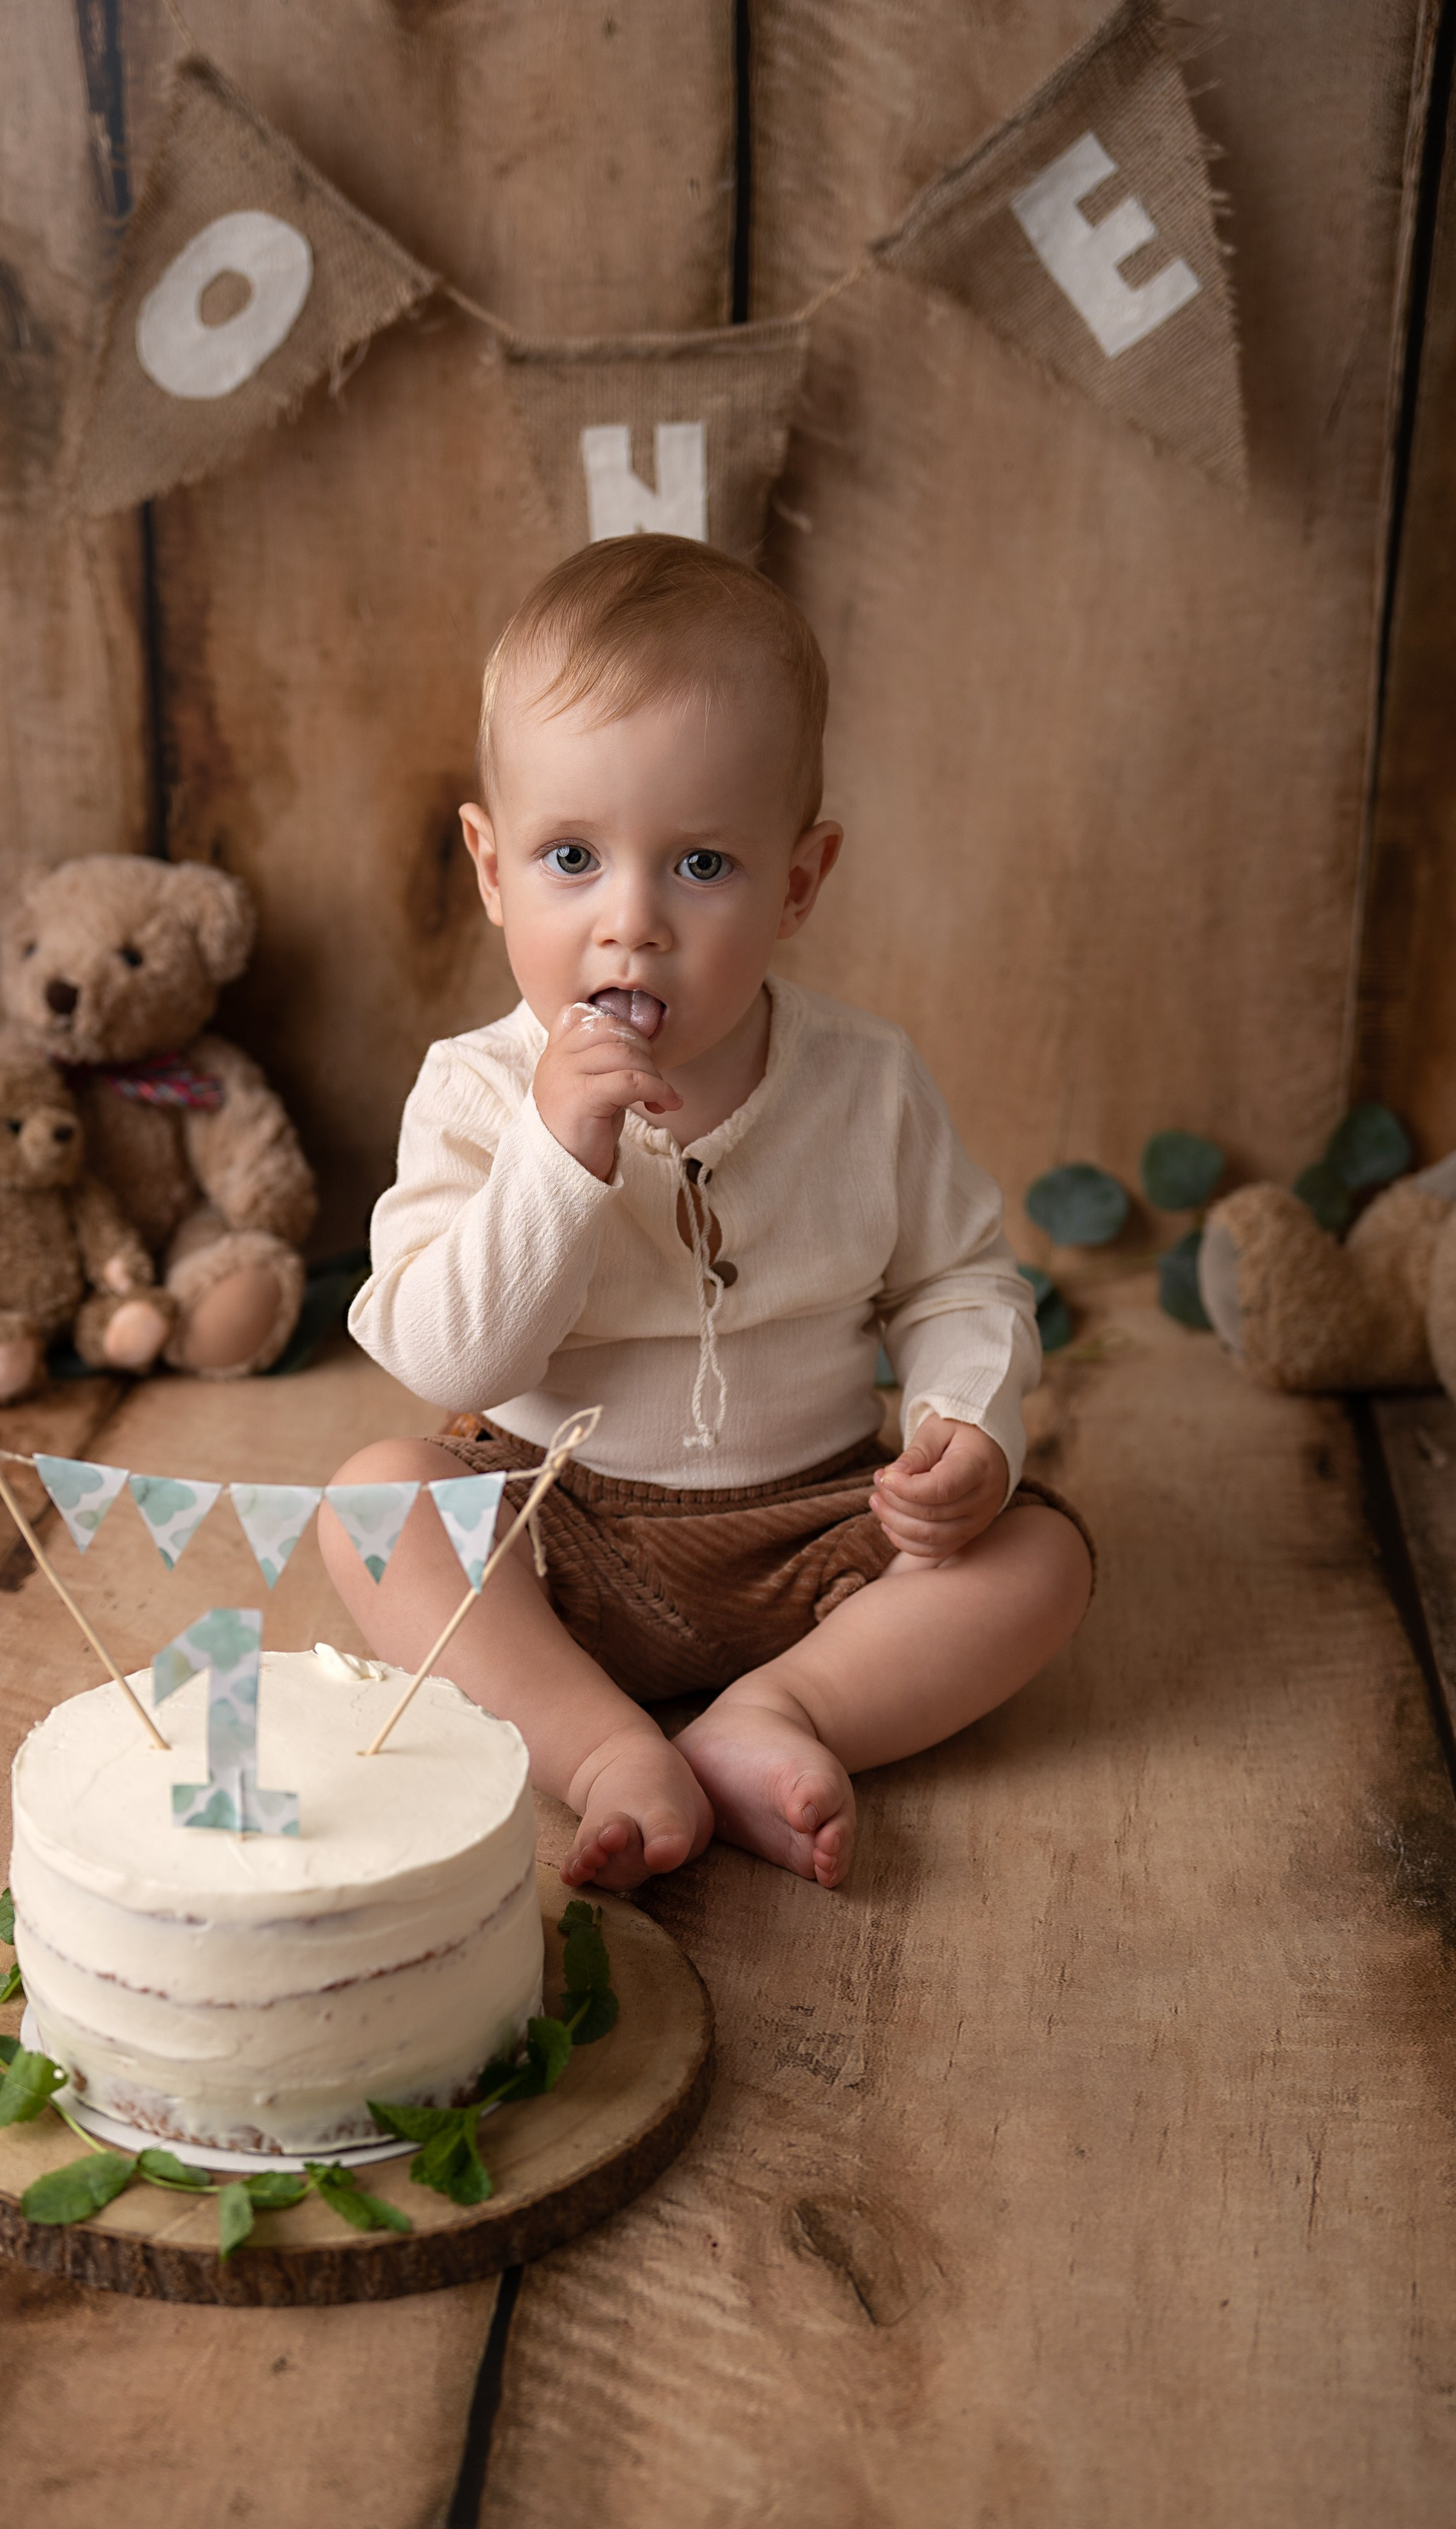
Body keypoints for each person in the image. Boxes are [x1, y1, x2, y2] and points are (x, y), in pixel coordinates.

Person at [320, 535, 1093, 1892]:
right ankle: (601, 1744)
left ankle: (782, 1712)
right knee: (376, 1503)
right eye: (573, 856)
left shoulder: (866, 1084)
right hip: (555, 1528)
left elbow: (958, 1284)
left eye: (700, 867)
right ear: (492, 869)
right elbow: (450, 1362)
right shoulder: (476, 1092)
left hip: (826, 1539)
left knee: (1042, 1558)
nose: (630, 924)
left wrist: (966, 1421)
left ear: (796, 882)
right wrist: (559, 1155)